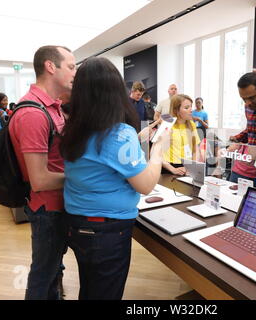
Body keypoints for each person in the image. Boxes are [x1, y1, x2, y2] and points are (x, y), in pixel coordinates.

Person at [60, 57, 170, 300]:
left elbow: (102, 163)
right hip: (107, 232)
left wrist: (138, 138)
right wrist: (158, 150)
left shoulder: (73, 129)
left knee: (91, 287)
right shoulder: (118, 134)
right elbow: (145, 185)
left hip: (78, 224)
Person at [9, 45, 76, 300]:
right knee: (42, 275)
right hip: (47, 209)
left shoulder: (52, 107)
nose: (75, 72)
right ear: (51, 67)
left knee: (52, 274)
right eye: (70, 66)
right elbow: (39, 180)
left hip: (57, 206)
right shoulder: (33, 114)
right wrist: (83, 177)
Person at [162, 94, 201, 176]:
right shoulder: (167, 125)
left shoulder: (191, 124)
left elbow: (196, 149)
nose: (191, 110)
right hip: (169, 169)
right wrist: (173, 169)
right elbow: (157, 153)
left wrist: (193, 167)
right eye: (186, 108)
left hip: (187, 168)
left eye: (191, 107)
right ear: (176, 111)